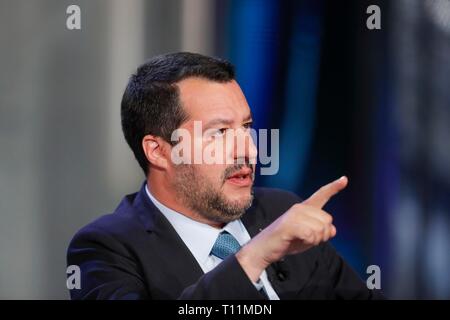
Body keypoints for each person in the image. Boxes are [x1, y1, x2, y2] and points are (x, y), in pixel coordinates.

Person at [67, 52, 383, 300]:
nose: (249, 151)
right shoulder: (107, 248)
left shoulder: (280, 210)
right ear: (159, 151)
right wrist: (255, 256)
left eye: (245, 128)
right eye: (219, 133)